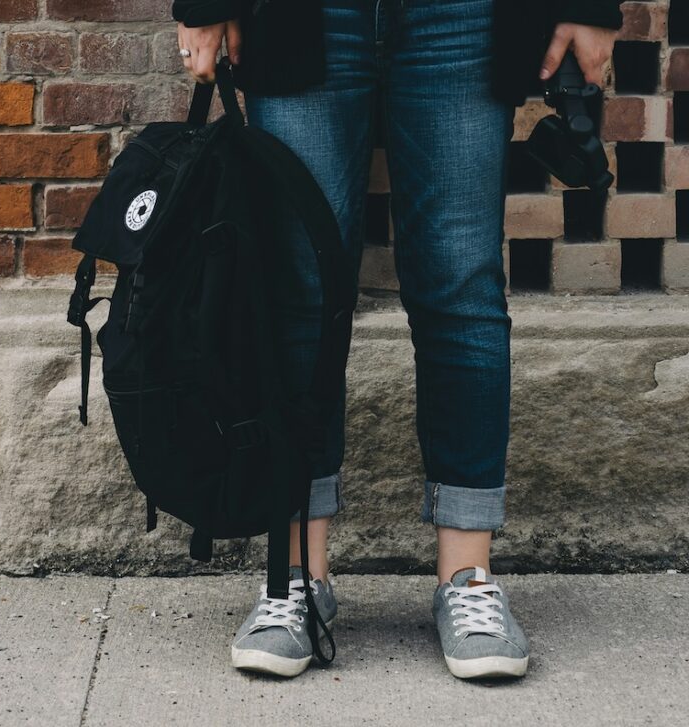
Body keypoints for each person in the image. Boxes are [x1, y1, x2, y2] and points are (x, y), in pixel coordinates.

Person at [171, 0, 623, 679]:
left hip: (463, 14)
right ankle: (294, 577)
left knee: (462, 283)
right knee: (302, 288)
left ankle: (468, 578)